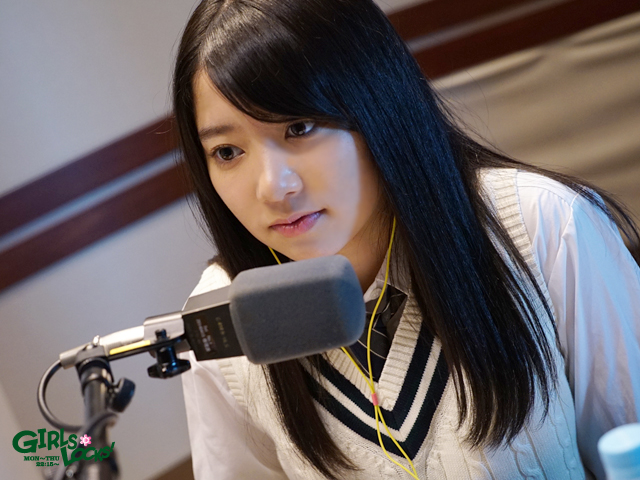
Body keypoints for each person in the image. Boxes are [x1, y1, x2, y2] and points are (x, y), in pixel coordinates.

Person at [171, 0, 640, 478]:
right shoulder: (219, 320)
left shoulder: (541, 224)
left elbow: (628, 443)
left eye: (300, 127)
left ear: (379, 104)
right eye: (227, 152)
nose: (273, 187)